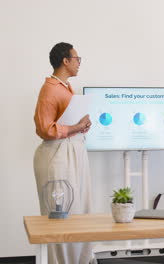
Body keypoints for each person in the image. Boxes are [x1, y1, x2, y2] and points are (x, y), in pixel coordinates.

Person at [33, 42, 93, 264]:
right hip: (57, 156)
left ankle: (79, 260)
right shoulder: (50, 89)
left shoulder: (66, 87)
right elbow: (44, 129)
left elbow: (66, 122)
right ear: (65, 61)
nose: (79, 63)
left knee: (79, 208)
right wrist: (75, 127)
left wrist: (82, 125)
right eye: (77, 59)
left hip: (73, 152)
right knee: (61, 212)